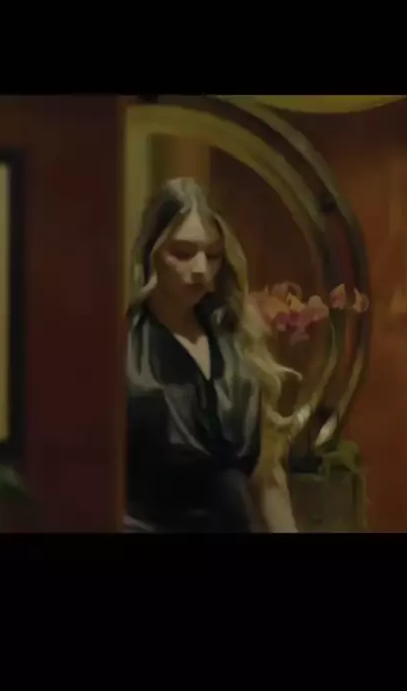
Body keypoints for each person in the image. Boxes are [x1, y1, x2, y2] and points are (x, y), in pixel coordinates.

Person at [126, 177, 301, 533]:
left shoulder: (236, 341)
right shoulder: (124, 349)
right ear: (151, 252)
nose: (201, 269)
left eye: (213, 255)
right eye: (182, 253)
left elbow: (268, 478)